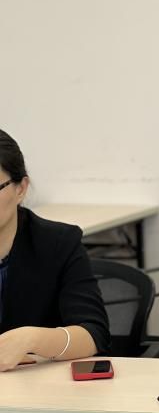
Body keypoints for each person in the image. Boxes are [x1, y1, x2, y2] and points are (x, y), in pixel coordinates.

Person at [0, 129, 110, 370]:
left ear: (20, 189)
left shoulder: (58, 243)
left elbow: (93, 334)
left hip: (34, 385)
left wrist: (32, 339)